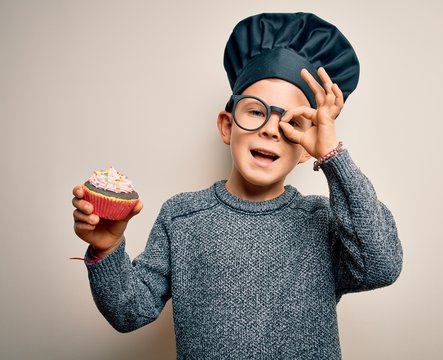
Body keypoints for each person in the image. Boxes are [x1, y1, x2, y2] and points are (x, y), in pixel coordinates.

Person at [72, 12, 402, 359]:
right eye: (256, 112)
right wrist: (107, 250)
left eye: (292, 122)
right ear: (227, 126)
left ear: (307, 148)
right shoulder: (181, 217)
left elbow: (381, 265)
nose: (271, 129)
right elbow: (129, 312)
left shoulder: (323, 220)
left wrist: (332, 155)